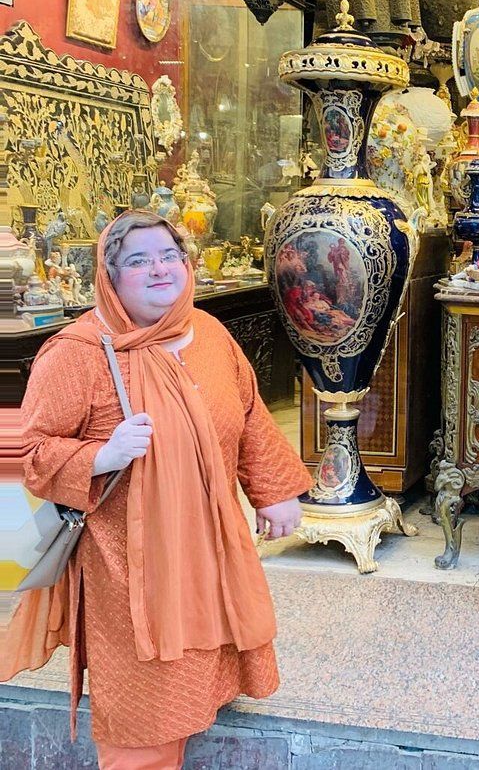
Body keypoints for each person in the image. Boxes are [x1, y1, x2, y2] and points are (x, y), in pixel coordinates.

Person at [2, 210, 311, 769]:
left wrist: (273, 491)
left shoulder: (208, 332)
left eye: (170, 256)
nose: (160, 270)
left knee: (206, 658)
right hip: (128, 566)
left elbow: (248, 414)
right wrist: (103, 454)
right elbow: (33, 455)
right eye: (139, 261)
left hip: (210, 544)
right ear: (110, 275)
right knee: (144, 704)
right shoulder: (77, 353)